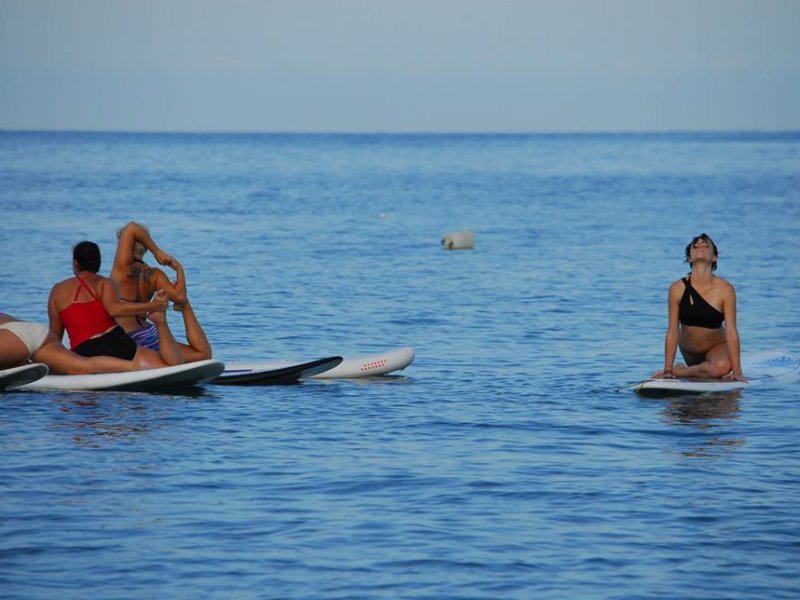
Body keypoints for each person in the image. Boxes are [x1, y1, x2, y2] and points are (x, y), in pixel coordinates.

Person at [48, 241, 185, 369]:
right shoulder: (105, 283)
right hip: (115, 343)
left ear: (75, 264)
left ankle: (124, 367)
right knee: (169, 365)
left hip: (83, 351)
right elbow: (114, 309)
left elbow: (55, 339)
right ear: (98, 263)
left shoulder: (57, 291)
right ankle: (138, 359)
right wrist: (153, 306)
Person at [110, 222, 212, 362]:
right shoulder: (155, 275)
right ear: (145, 247)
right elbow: (180, 297)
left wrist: (157, 252)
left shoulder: (121, 269)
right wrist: (179, 269)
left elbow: (131, 227)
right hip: (150, 335)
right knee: (203, 355)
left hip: (129, 341)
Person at [653, 233, 746, 382]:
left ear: (714, 257)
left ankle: (682, 371)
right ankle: (685, 369)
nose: (700, 247)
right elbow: (672, 331)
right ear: (689, 258)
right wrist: (667, 369)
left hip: (717, 347)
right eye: (695, 246)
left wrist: (737, 371)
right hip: (689, 351)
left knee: (721, 367)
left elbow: (731, 331)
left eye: (705, 245)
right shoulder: (677, 288)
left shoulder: (726, 290)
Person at [1, 312, 137, 374]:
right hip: (38, 333)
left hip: (16, 337)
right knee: (83, 365)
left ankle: (20, 362)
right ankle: (136, 367)